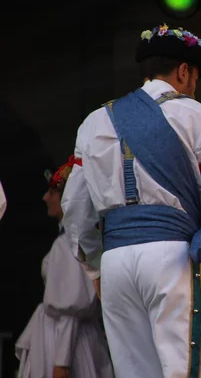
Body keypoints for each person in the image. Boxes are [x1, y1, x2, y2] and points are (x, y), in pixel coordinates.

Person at [60, 23, 201, 378]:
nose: (194, 87)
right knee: (181, 371)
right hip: (171, 259)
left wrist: (96, 269)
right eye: (194, 77)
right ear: (183, 72)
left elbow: (74, 209)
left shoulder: (93, 122)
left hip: (116, 263)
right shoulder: (199, 117)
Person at [16, 156, 114, 378]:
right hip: (66, 337)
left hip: (65, 343)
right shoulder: (68, 241)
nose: (45, 198)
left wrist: (62, 363)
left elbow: (71, 307)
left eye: (52, 192)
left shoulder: (69, 243)